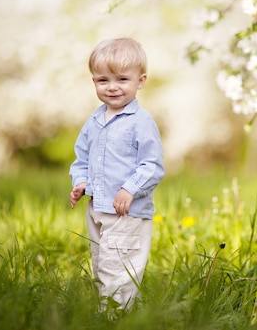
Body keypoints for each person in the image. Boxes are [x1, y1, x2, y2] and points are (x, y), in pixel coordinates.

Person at [69, 37, 165, 310]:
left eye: (122, 79)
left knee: (119, 267)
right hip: (97, 208)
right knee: (102, 264)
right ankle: (123, 313)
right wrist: (81, 182)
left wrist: (130, 189)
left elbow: (153, 165)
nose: (112, 87)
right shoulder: (95, 120)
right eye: (103, 80)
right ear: (94, 82)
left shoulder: (140, 122)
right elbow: (82, 158)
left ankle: (115, 317)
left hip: (127, 211)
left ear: (140, 80)